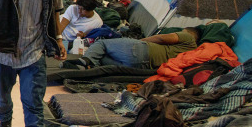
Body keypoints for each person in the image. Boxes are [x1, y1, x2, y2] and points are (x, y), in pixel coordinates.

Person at [65, 28, 199, 70]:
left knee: (103, 44)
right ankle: (86, 66)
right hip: (143, 67)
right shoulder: (194, 54)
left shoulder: (189, 37)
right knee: (101, 58)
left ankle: (86, 60)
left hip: (142, 50)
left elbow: (162, 39)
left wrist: (140, 41)